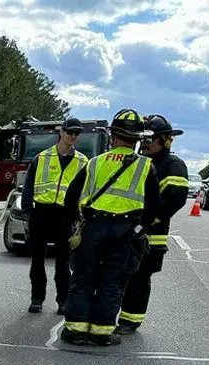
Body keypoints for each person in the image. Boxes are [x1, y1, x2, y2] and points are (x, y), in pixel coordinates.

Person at [59, 108, 160, 346]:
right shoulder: (146, 167)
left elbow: (71, 198)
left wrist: (77, 222)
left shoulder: (94, 163)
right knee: (112, 280)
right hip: (125, 231)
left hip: (93, 227)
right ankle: (101, 332)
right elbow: (155, 207)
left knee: (83, 278)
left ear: (112, 137)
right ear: (137, 140)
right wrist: (140, 228)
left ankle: (75, 330)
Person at [116, 114, 189, 335]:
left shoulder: (172, 164)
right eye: (143, 139)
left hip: (150, 236)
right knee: (122, 276)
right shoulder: (141, 162)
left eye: (151, 139)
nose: (145, 144)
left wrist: (146, 221)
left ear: (165, 140)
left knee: (138, 279)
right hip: (129, 231)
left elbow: (174, 199)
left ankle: (130, 321)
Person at [21, 118, 89, 314]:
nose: (73, 136)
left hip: (65, 215)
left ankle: (63, 300)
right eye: (70, 132)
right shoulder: (42, 157)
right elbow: (28, 186)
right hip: (41, 213)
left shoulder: (82, 162)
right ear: (62, 131)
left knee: (63, 262)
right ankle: (37, 298)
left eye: (77, 133)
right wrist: (28, 211)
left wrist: (79, 217)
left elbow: (85, 191)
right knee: (37, 261)